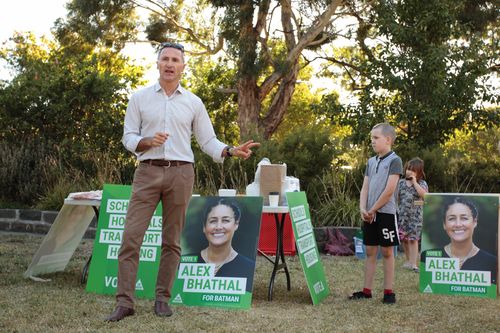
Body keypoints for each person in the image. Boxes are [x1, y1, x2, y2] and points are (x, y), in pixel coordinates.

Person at [105, 42, 260, 322]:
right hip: (147, 172)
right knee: (130, 238)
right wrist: (145, 141)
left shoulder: (193, 102)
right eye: (165, 58)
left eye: (175, 59)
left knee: (172, 240)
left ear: (183, 66)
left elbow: (207, 140)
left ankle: (162, 299)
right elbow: (128, 137)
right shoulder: (139, 98)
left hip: (181, 174)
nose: (170, 63)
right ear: (157, 63)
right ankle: (124, 302)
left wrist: (229, 150)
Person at [349, 123, 402, 304]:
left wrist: (373, 209)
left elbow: (389, 191)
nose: (372, 141)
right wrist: (363, 208)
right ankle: (366, 291)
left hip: (386, 214)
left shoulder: (395, 161)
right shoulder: (371, 162)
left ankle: (388, 292)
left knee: (387, 252)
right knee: (370, 251)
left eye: (376, 138)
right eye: (371, 138)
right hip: (369, 215)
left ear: (387, 140)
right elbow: (365, 187)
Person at [421, 197, 497, 284]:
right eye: (452, 218)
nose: (458, 224)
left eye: (464, 218)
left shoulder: (491, 262)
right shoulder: (427, 257)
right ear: (444, 224)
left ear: (475, 222)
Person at [187, 198, 256, 292]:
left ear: (236, 224)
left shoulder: (248, 267)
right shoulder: (184, 263)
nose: (218, 227)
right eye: (213, 221)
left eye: (225, 220)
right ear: (204, 227)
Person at [397, 158, 428, 273]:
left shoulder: (422, 183)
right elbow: (397, 197)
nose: (409, 172)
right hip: (403, 216)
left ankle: (414, 264)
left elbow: (425, 196)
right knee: (404, 239)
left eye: (413, 170)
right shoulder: (400, 183)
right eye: (408, 169)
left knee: (413, 240)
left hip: (416, 217)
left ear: (419, 172)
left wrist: (414, 182)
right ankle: (409, 260)